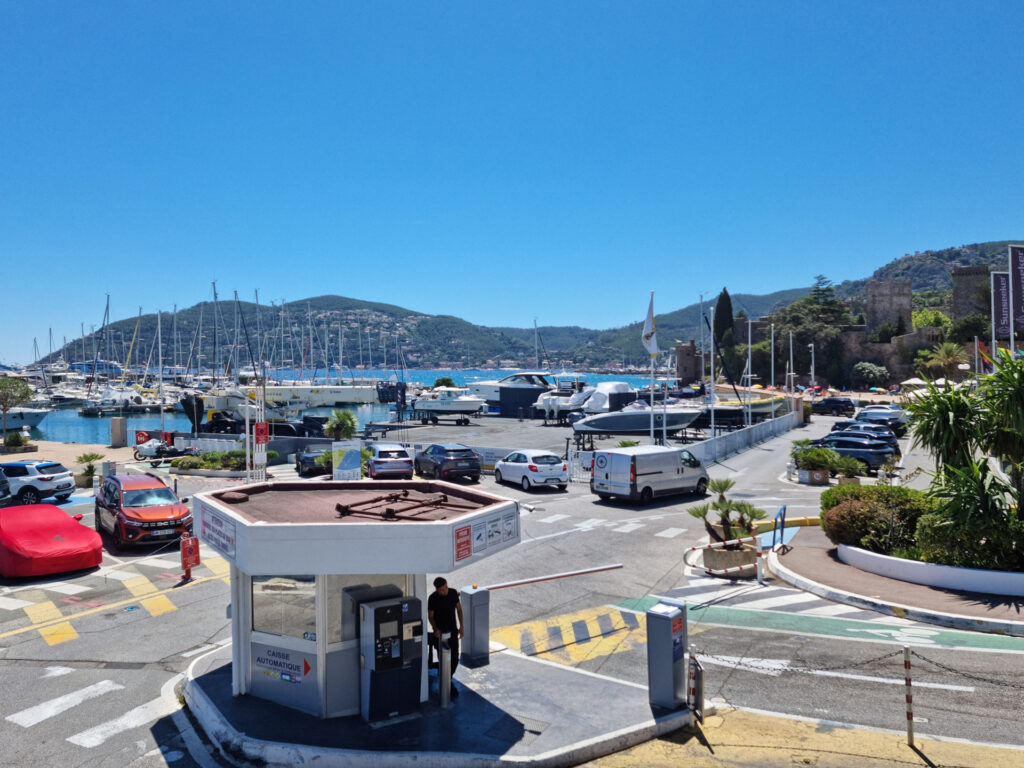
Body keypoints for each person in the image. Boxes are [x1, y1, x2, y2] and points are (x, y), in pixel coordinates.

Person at [427, 576, 464, 697]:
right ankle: (447, 684)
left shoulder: (453, 593)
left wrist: (461, 626)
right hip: (441, 634)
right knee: (443, 660)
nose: (445, 591)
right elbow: (431, 616)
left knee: (454, 658)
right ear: (437, 589)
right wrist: (435, 629)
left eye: (446, 587)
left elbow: (459, 610)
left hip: (453, 631)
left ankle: (447, 680)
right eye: (442, 589)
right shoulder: (432, 598)